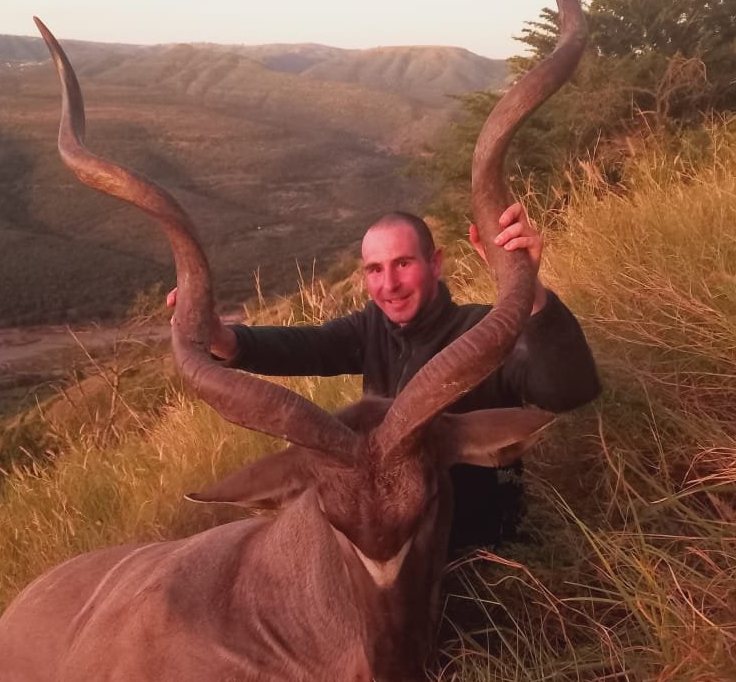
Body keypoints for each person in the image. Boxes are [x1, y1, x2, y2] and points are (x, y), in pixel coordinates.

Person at [167, 203, 600, 553]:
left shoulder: (481, 332)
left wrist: (531, 288)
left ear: (436, 264)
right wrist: (221, 337)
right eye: (375, 270)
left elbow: (568, 391)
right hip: (384, 532)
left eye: (403, 263)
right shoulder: (372, 329)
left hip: (474, 545)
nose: (389, 284)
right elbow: (306, 345)